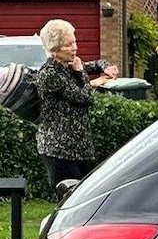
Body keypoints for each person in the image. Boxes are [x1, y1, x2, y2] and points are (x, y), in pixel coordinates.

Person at [34, 19, 117, 190]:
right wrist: (80, 73)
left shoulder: (66, 66)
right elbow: (85, 97)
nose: (75, 48)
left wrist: (107, 67)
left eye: (75, 42)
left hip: (80, 149)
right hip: (59, 150)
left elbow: (97, 64)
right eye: (68, 44)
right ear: (55, 50)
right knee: (69, 201)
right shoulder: (50, 74)